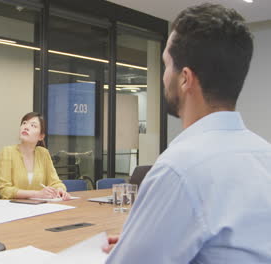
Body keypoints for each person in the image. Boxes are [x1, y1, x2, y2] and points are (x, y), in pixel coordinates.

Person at [104, 3, 271, 263]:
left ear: (184, 78)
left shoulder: (179, 169)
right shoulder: (264, 155)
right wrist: (142, 240)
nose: (162, 76)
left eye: (166, 65)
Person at [0, 112, 70, 200]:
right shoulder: (7, 152)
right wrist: (36, 194)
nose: (26, 127)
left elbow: (55, 182)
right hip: (12, 208)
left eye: (33, 126)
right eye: (24, 123)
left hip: (38, 207)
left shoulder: (43, 153)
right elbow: (4, 190)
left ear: (41, 136)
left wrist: (59, 190)